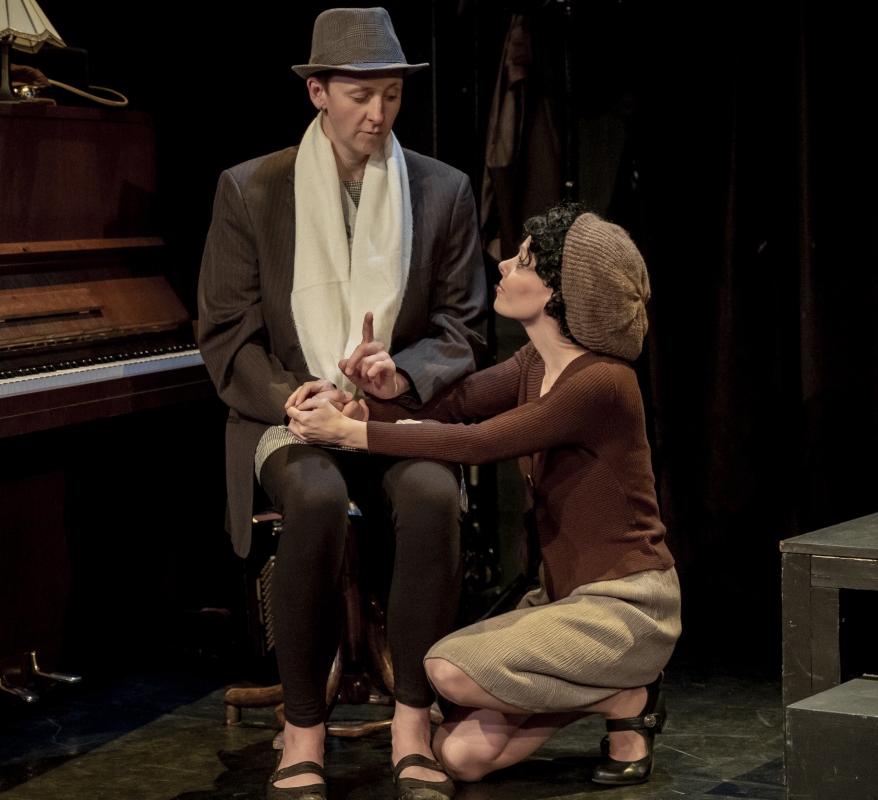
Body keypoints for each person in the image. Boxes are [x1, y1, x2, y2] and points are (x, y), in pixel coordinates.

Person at [286, 201, 682, 787]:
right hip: (561, 601)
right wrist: (369, 401)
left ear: (556, 292)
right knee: (460, 755)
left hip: (627, 607)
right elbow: (458, 404)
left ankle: (626, 696)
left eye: (523, 260)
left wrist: (351, 434)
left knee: (447, 670)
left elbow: (478, 442)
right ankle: (617, 697)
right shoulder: (533, 363)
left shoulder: (602, 382)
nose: (503, 266)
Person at [196, 7, 488, 800]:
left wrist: (400, 376)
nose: (378, 114)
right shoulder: (252, 190)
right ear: (318, 92)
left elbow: (463, 327)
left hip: (390, 417)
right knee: (318, 496)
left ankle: (412, 724)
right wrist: (296, 394)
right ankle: (303, 731)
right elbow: (226, 334)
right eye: (360, 96)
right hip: (289, 416)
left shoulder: (442, 189)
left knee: (432, 495)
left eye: (391, 95)